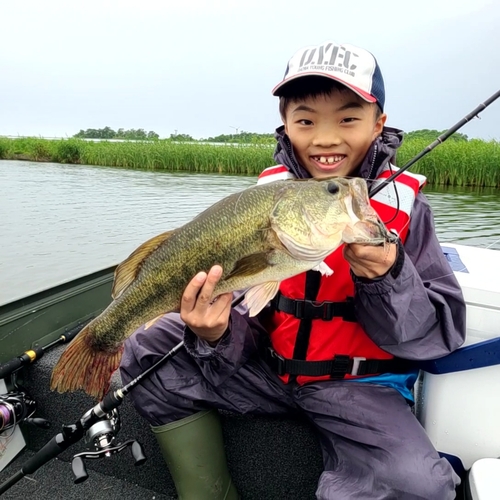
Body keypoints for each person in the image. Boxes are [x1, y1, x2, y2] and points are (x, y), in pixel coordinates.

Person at [120, 41, 466, 499]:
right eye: (306, 120)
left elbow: (435, 337)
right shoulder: (265, 200)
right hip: (266, 367)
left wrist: (386, 276)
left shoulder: (405, 209)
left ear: (378, 123)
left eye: (347, 118)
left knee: (418, 485)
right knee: (148, 347)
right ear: (285, 123)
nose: (325, 138)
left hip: (361, 385)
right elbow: (250, 310)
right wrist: (214, 335)